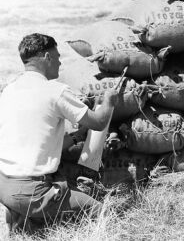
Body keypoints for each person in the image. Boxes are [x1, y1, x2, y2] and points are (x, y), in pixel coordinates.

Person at [0, 33, 119, 234]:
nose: (60, 62)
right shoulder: (55, 91)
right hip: (33, 192)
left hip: (4, 186)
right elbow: (99, 123)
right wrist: (109, 101)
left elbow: (39, 143)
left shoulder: (9, 90)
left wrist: (77, 136)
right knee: (102, 212)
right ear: (46, 57)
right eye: (57, 57)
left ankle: (22, 224)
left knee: (30, 226)